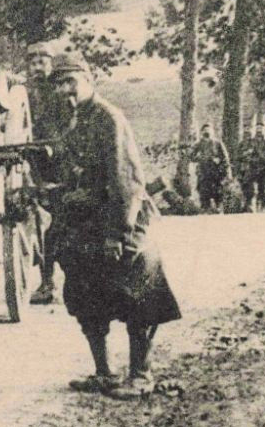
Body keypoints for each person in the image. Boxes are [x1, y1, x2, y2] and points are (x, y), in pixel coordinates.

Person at [44, 52, 181, 398]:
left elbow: (125, 181)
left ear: (89, 80)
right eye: (58, 84)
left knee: (137, 294)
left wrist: (117, 234)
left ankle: (140, 374)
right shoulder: (74, 121)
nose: (64, 90)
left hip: (119, 222)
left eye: (70, 81)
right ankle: (104, 373)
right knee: (84, 295)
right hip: (85, 225)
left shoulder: (109, 119)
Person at [23, 42, 65, 305]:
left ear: (51, 64)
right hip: (33, 160)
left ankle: (58, 280)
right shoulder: (22, 93)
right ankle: (47, 281)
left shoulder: (60, 91)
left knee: (61, 224)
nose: (37, 67)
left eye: (42, 61)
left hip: (61, 160)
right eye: (32, 62)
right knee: (39, 224)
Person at [190, 123, 232, 213]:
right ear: (202, 132)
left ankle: (218, 209)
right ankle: (206, 210)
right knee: (204, 193)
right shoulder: (198, 144)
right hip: (203, 172)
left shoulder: (217, 143)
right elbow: (191, 156)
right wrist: (201, 158)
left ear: (212, 131)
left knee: (218, 193)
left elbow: (225, 158)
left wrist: (220, 162)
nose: (207, 132)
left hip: (216, 172)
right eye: (205, 130)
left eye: (208, 130)